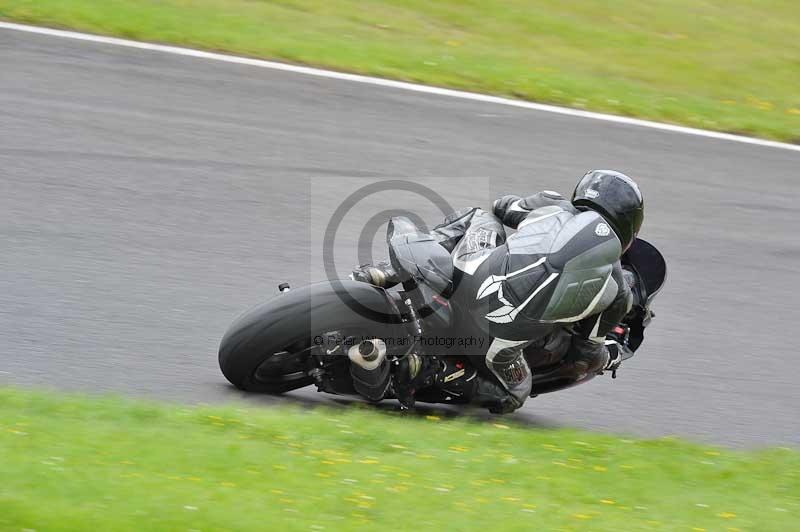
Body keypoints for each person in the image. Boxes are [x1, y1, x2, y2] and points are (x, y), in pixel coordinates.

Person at [351, 170, 644, 413]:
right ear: (629, 231)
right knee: (516, 393)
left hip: (465, 281)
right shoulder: (618, 292)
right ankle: (421, 369)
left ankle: (386, 272)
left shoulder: (552, 204)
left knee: (478, 216)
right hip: (494, 343)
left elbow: (502, 206)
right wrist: (609, 356)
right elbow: (585, 352)